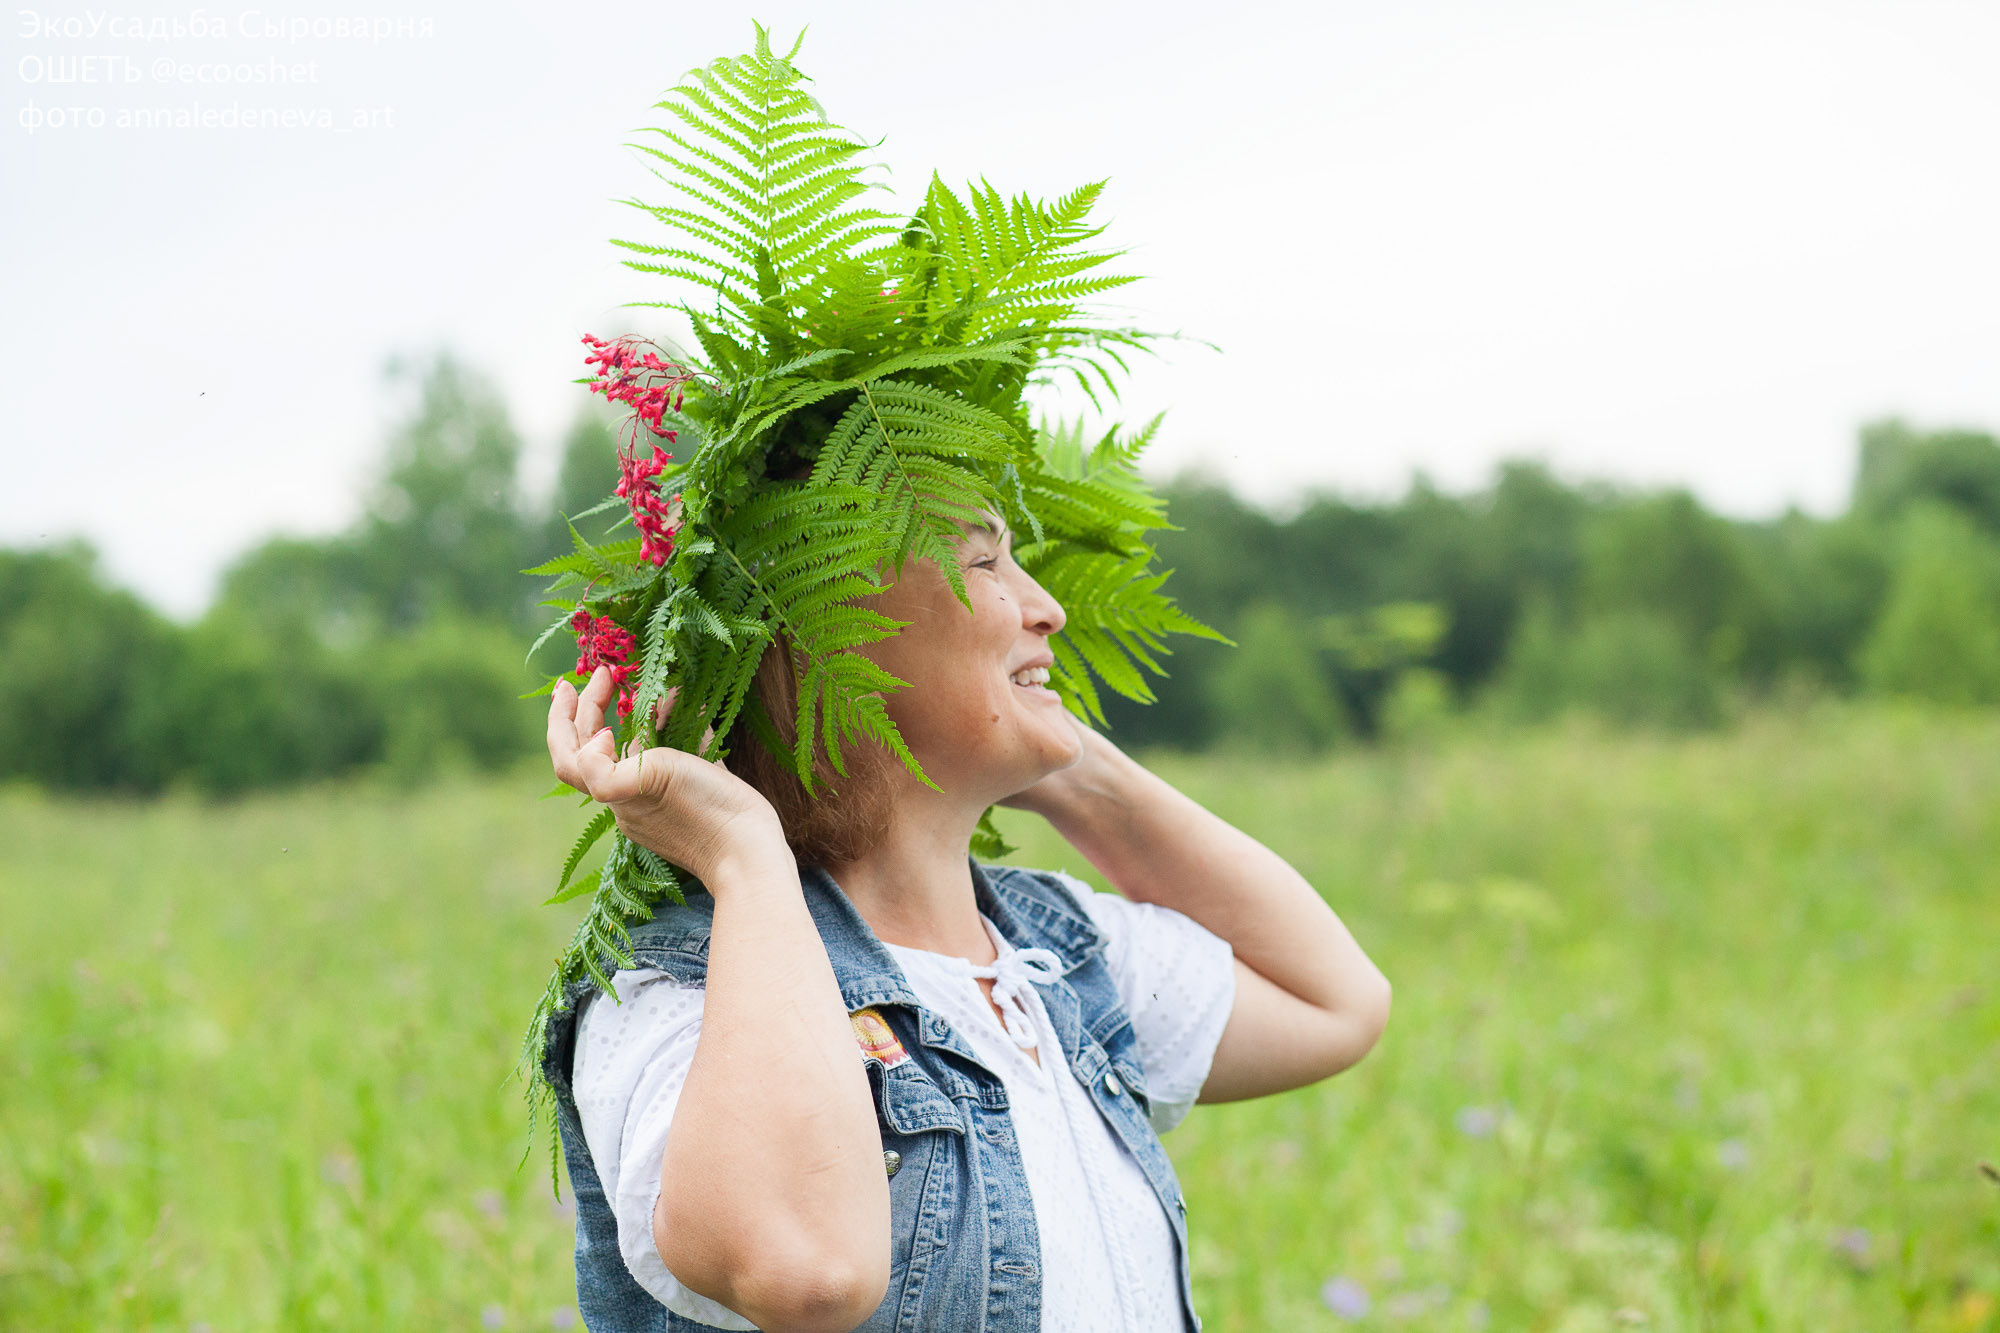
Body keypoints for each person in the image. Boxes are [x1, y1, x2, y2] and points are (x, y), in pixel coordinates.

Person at [540, 512, 1393, 1332]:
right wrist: (741, 855)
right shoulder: (673, 990)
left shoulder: (1047, 952)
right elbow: (808, 1273)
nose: (1047, 607)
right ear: (833, 638)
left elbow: (1337, 1004)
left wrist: (1067, 763)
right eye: (985, 563)